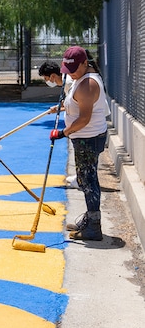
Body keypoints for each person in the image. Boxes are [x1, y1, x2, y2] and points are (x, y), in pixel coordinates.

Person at [49, 46, 109, 241]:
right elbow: (77, 101)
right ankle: (91, 219)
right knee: (84, 179)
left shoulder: (88, 84)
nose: (71, 74)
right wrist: (61, 107)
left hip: (88, 138)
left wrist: (62, 133)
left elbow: (84, 118)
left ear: (85, 63)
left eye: (74, 69)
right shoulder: (80, 79)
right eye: (69, 70)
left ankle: (94, 225)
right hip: (84, 137)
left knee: (89, 181)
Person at [38, 61, 79, 189]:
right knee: (78, 151)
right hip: (75, 123)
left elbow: (76, 106)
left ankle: (81, 179)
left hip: (80, 124)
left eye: (46, 78)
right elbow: (69, 104)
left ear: (53, 76)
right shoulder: (65, 84)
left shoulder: (68, 84)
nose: (47, 81)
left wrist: (60, 108)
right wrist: (58, 108)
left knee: (81, 152)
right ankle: (79, 176)